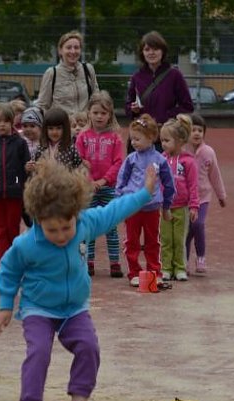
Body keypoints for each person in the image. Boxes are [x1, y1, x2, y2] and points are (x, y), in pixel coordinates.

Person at [0, 160, 159, 401]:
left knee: (89, 347)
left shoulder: (85, 224)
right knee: (39, 352)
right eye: (51, 230)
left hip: (74, 309)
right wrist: (6, 306)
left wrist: (144, 193)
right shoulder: (26, 244)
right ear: (37, 220)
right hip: (38, 309)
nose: (60, 236)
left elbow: (114, 211)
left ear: (76, 216)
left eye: (66, 228)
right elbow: (9, 270)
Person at [114, 114, 175, 286]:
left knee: (152, 242)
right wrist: (119, 201)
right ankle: (134, 271)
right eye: (132, 139)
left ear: (150, 138)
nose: (133, 142)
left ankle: (155, 271)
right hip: (132, 207)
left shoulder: (160, 160)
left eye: (137, 139)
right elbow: (121, 180)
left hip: (152, 208)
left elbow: (169, 184)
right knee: (131, 241)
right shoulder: (131, 159)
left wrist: (167, 205)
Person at [76, 91, 125, 278]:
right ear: (89, 112)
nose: (99, 116)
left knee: (111, 226)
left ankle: (114, 262)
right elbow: (78, 160)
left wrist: (103, 180)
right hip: (88, 189)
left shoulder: (115, 137)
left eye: (103, 113)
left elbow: (118, 162)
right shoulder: (82, 136)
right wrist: (90, 181)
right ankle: (87, 262)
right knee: (87, 226)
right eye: (95, 112)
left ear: (110, 115)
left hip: (108, 188)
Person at [0, 103, 30, 273]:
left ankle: (13, 257)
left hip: (15, 193)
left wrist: (26, 191)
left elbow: (26, 169)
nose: (2, 124)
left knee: (12, 226)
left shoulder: (20, 144)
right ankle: (0, 257)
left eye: (6, 121)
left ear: (12, 123)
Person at [125, 30, 194, 151]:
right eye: (147, 49)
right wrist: (133, 109)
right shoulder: (137, 77)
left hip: (164, 137)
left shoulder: (174, 75)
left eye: (155, 49)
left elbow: (187, 106)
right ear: (142, 53)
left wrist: (166, 117)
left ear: (163, 51)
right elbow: (128, 106)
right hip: (141, 136)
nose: (151, 53)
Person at [185, 113, 227, 275]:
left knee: (198, 224)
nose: (196, 133)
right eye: (193, 130)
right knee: (187, 231)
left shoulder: (208, 152)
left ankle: (201, 257)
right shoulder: (182, 150)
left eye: (200, 131)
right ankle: (184, 260)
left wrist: (221, 195)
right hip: (185, 199)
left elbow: (215, 175)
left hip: (202, 197)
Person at [159, 115, 199, 281]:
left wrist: (194, 206)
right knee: (166, 239)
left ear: (180, 140)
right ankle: (166, 268)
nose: (163, 144)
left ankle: (180, 267)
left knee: (179, 240)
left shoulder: (188, 162)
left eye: (167, 140)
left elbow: (193, 186)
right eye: (162, 140)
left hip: (181, 207)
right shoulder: (161, 159)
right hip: (164, 208)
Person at [35, 30, 99, 116]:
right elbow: (43, 105)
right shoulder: (52, 73)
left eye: (76, 47)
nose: (73, 51)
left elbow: (97, 100)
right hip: (62, 126)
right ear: (60, 51)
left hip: (85, 126)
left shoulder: (88, 69)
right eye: (68, 48)